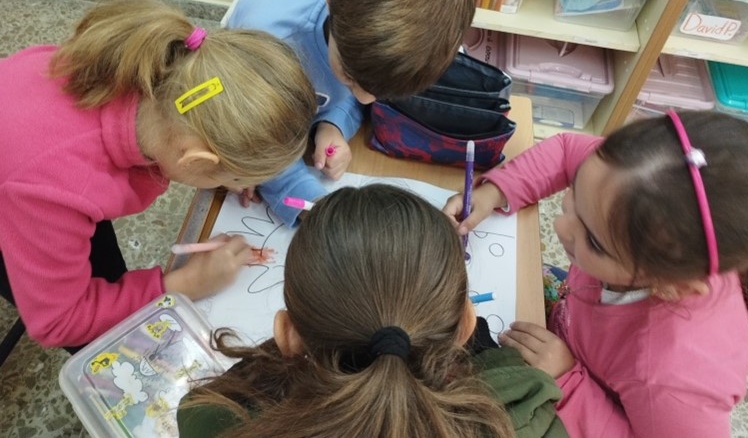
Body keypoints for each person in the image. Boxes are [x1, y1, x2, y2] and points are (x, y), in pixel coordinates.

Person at [0, 0, 317, 350]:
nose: (241, 185)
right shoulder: (56, 188)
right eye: (238, 178)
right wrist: (186, 284)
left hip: (28, 168)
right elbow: (60, 322)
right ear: (195, 161)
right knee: (103, 339)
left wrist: (232, 169)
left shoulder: (150, 72)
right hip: (21, 190)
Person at [443, 110, 748, 437]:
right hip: (574, 321)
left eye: (593, 240)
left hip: (585, 397)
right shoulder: (632, 178)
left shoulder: (671, 380)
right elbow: (566, 152)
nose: (561, 225)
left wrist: (569, 380)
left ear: (671, 286)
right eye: (575, 192)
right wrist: (496, 191)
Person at [176, 184, 568, 438]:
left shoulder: (219, 419)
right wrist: (498, 361)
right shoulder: (524, 418)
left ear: (287, 334)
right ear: (466, 326)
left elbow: (204, 411)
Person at [227, 0, 478, 226]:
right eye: (350, 76)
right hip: (241, 97)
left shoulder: (367, 29)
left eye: (381, 92)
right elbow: (256, 140)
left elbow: (355, 90)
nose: (366, 98)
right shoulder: (270, 44)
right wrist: (314, 206)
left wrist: (334, 122)